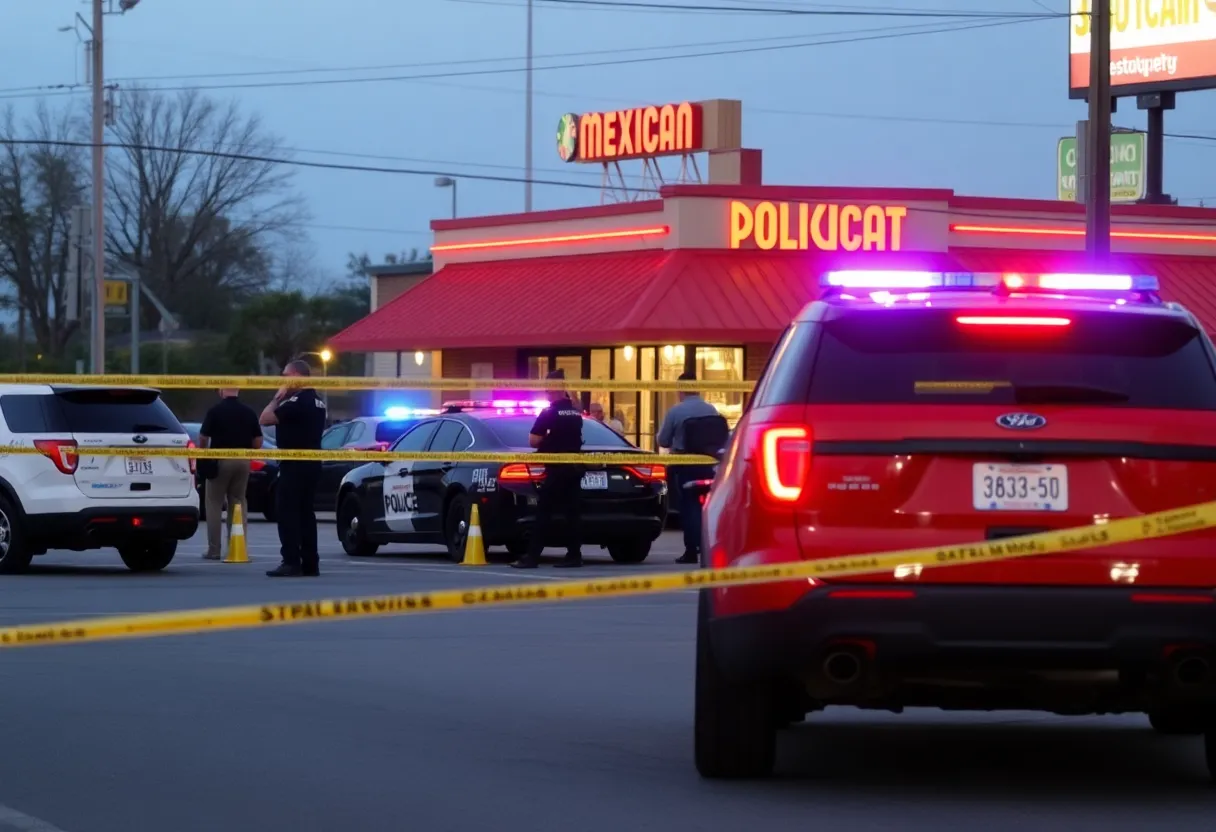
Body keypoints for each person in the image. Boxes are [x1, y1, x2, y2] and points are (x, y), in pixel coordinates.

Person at [259, 359, 327, 577]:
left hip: (294, 464)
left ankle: (290, 561)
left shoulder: (295, 401)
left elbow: (265, 418)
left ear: (297, 376)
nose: (283, 381)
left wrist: (277, 397)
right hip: (312, 464)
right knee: (306, 513)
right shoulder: (318, 401)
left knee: (287, 512)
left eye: (286, 377)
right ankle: (310, 562)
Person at [511, 369, 585, 569]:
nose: (546, 393)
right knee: (572, 514)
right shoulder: (575, 411)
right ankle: (574, 555)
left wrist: (547, 440)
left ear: (553, 389)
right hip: (575, 467)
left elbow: (533, 440)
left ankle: (532, 557)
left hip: (556, 468)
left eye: (547, 389)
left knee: (543, 513)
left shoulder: (549, 412)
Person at [657, 371, 727, 565]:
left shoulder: (676, 411)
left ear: (681, 390)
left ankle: (690, 549)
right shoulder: (711, 409)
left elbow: (663, 440)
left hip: (685, 464)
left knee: (688, 507)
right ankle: (706, 547)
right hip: (708, 464)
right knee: (706, 506)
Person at [198, 389, 263, 561]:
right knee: (239, 501)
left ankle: (214, 550)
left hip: (220, 460)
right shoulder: (249, 412)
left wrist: (205, 454)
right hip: (242, 461)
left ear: (221, 391)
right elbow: (258, 442)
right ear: (238, 390)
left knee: (213, 503)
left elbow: (203, 437)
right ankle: (237, 546)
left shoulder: (215, 411)